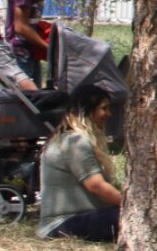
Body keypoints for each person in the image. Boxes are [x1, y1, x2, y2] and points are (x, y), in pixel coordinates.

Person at [38, 82, 121, 241]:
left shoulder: (70, 138)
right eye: (104, 108)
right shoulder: (75, 142)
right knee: (126, 217)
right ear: (87, 111)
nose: (109, 113)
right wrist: (134, 207)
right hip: (62, 225)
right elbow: (96, 186)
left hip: (71, 221)